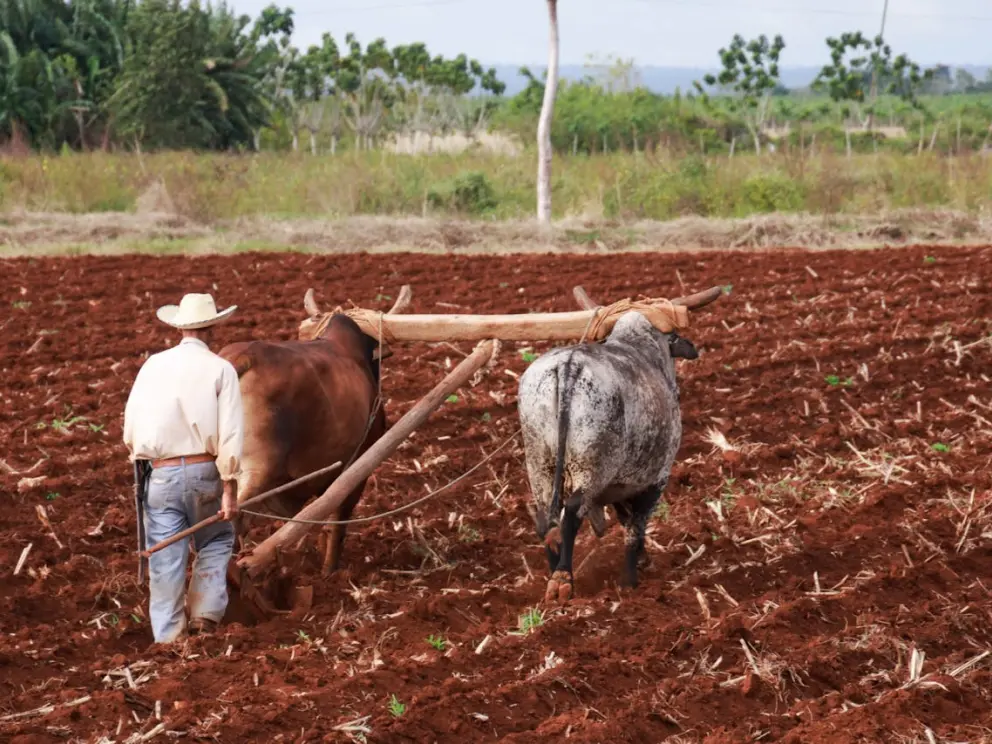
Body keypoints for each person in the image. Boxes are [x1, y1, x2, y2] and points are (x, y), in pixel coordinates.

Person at [123, 292, 244, 643]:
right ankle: (205, 617)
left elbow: (131, 427)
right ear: (213, 328)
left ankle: (168, 639)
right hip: (205, 470)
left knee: (165, 553)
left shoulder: (153, 365)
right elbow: (232, 434)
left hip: (158, 474)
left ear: (180, 327)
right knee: (218, 539)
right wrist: (230, 489)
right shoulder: (221, 368)